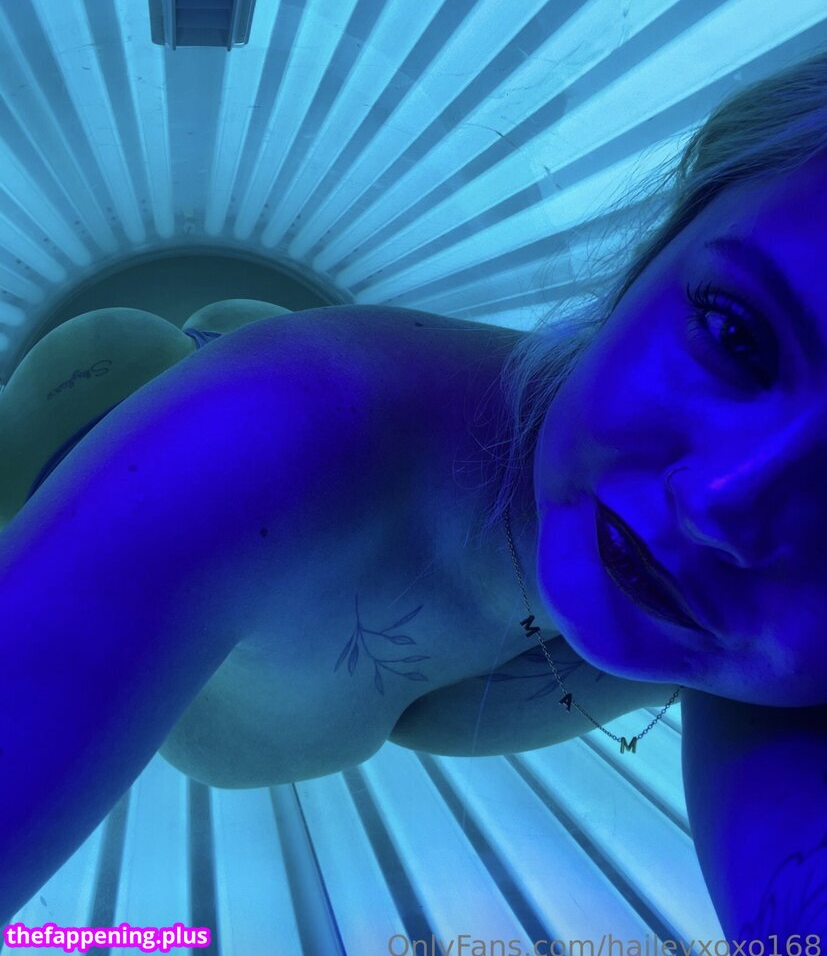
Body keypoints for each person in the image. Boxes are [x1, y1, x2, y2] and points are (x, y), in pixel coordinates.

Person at [0, 54, 825, 941]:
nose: (720, 507)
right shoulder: (274, 441)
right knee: (158, 402)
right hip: (134, 426)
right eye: (734, 334)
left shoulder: (727, 636)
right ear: (653, 252)